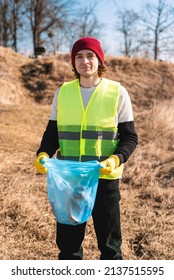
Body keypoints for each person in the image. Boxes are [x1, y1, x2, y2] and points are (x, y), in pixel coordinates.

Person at [34, 37, 138, 260]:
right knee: (69, 248)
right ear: (73, 63)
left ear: (99, 60)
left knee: (110, 248)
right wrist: (43, 153)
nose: (85, 61)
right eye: (79, 56)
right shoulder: (63, 93)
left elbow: (130, 138)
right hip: (70, 179)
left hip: (104, 179)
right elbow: (52, 133)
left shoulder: (117, 92)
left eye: (90, 55)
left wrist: (115, 160)